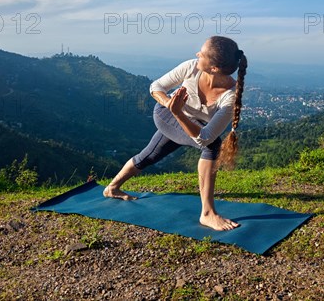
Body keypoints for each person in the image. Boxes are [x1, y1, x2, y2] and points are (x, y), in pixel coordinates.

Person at [103, 36, 247, 231]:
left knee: (150, 155)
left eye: (202, 54)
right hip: (166, 115)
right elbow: (156, 87)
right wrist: (171, 106)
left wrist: (180, 112)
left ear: (214, 68)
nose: (197, 54)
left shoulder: (230, 96)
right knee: (212, 147)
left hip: (190, 124)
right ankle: (207, 213)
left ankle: (112, 188)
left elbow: (204, 135)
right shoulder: (191, 67)